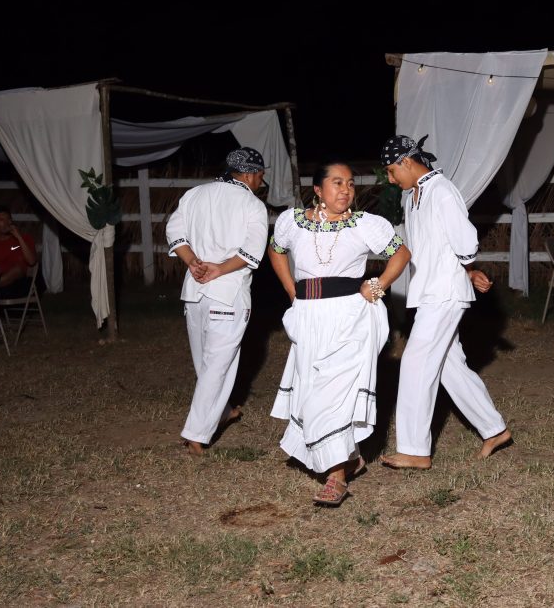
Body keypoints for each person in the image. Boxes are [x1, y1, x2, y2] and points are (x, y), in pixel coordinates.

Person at [269, 161, 410, 506]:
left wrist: (377, 285)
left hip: (352, 316)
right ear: (318, 189)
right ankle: (348, 457)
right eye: (336, 183)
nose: (346, 189)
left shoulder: (365, 225)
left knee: (333, 394)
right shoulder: (292, 221)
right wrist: (292, 292)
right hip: (310, 317)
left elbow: (401, 253)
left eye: (349, 183)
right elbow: (276, 251)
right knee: (313, 389)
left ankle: (336, 478)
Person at [379, 134, 511, 470]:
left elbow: (465, 241)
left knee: (415, 363)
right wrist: (466, 273)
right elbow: (433, 247)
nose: (392, 180)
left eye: (393, 171)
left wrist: (464, 266)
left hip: (443, 295)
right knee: (449, 367)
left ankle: (415, 449)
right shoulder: (415, 196)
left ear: (407, 162)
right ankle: (493, 429)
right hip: (433, 290)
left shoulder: (441, 190)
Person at [165, 147, 269, 455]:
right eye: (261, 177)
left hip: (194, 292)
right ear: (250, 174)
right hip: (227, 293)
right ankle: (197, 434)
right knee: (216, 367)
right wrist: (219, 268)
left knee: (206, 364)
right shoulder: (252, 204)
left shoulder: (195, 194)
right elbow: (252, 251)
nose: (261, 183)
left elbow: (174, 231)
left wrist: (193, 262)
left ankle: (221, 411)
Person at [0, 206, 37, 299]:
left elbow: (31, 261)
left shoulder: (24, 238)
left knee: (17, 270)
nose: (6, 223)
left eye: (9, 219)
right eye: (1, 220)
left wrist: (19, 237)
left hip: (18, 282)